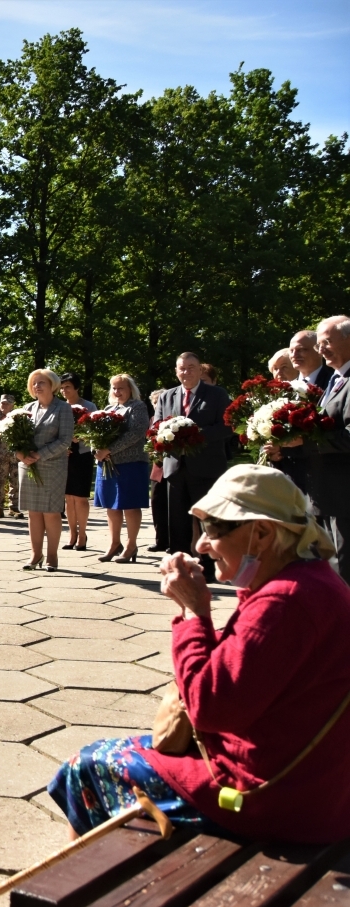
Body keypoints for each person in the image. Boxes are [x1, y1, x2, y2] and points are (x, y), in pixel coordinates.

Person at [48, 466, 350, 844]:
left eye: (215, 530)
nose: (202, 546)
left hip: (269, 797)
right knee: (118, 754)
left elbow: (209, 707)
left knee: (85, 767)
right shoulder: (312, 578)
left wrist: (194, 612)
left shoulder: (284, 599)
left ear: (263, 532)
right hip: (314, 783)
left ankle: (77, 893)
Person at [151, 352, 232, 581]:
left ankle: (211, 568)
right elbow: (156, 428)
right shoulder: (167, 396)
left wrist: (195, 436)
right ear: (176, 371)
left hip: (206, 467)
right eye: (181, 368)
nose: (185, 372)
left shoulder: (216, 394)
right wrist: (166, 438)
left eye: (190, 367)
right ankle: (181, 567)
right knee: (177, 521)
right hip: (175, 468)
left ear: (199, 370)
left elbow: (227, 426)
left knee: (208, 521)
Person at [284, 315, 350, 586]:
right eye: (320, 343)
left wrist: (305, 443)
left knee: (345, 569)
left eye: (327, 342)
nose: (321, 348)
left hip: (343, 494)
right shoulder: (336, 379)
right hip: (325, 492)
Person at [17, 369, 74, 571]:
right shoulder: (27, 408)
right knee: (33, 513)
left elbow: (65, 440)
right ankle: (35, 555)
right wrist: (20, 454)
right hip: (28, 465)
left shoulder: (63, 409)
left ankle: (52, 556)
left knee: (51, 512)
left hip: (52, 466)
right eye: (34, 383)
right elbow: (16, 436)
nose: (37, 386)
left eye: (41, 382)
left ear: (53, 385)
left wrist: (41, 454)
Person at [268, 330, 334, 496]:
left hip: (324, 476)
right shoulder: (286, 388)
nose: (295, 354)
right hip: (287, 475)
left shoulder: (333, 383)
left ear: (318, 350)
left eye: (302, 349)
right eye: (291, 350)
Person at [93, 374, 150, 564]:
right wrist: (96, 449)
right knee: (111, 505)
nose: (117, 392)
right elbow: (95, 433)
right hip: (107, 464)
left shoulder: (138, 407)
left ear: (130, 389)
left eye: (121, 388)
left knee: (130, 505)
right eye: (114, 388)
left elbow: (135, 433)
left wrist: (109, 449)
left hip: (131, 463)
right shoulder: (109, 409)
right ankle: (114, 544)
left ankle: (131, 545)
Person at [59, 374, 97, 550]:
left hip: (82, 454)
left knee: (80, 497)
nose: (64, 390)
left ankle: (82, 535)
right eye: (62, 387)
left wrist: (79, 437)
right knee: (68, 498)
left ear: (76, 388)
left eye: (67, 386)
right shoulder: (58, 406)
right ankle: (72, 534)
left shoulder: (89, 406)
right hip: (64, 455)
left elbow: (95, 432)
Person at [147, 387, 170, 553]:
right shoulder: (153, 419)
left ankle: (173, 540)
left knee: (173, 506)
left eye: (160, 400)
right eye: (155, 402)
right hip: (157, 467)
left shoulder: (172, 419)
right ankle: (160, 539)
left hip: (172, 466)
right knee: (157, 503)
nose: (157, 404)